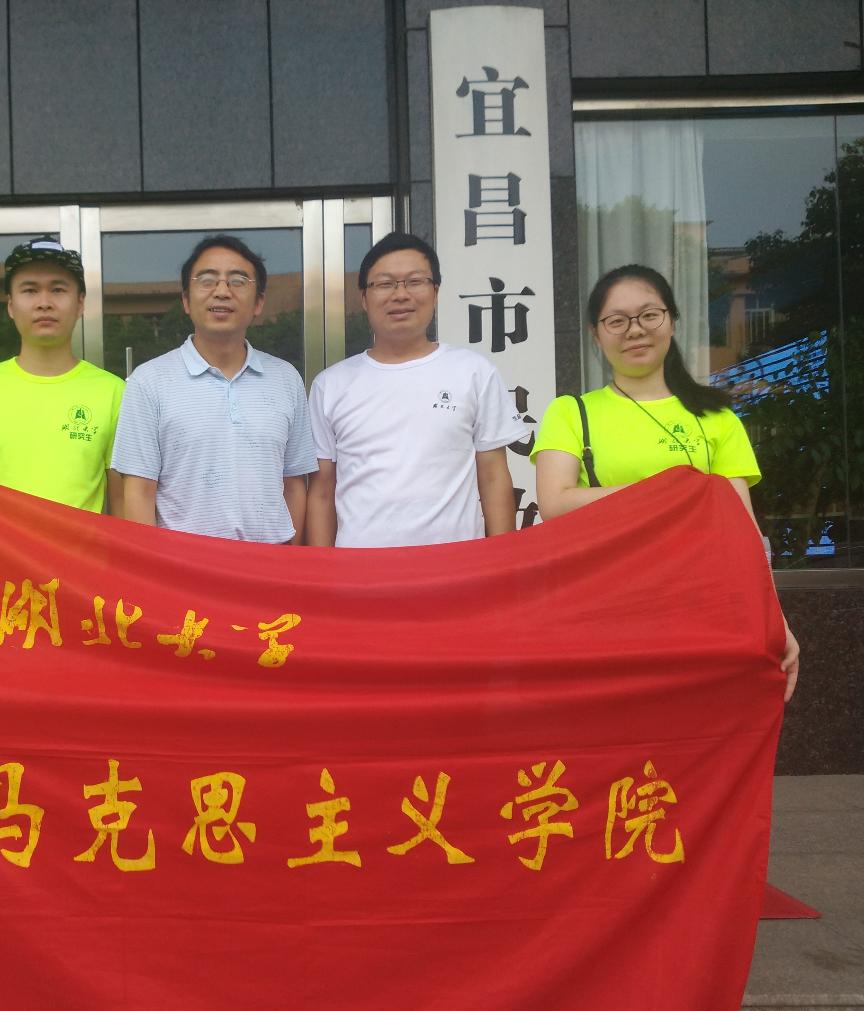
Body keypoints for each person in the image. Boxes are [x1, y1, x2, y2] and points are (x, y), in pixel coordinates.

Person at [531, 263, 799, 701]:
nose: (635, 330)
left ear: (672, 321)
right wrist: (673, 492)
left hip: (701, 607)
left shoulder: (716, 417)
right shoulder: (571, 412)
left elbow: (744, 530)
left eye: (649, 315)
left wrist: (777, 619)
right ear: (596, 334)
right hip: (603, 607)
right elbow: (555, 503)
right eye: (617, 320)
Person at [306, 232, 527, 548]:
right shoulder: (331, 385)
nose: (400, 295)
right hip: (360, 568)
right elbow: (322, 491)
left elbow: (493, 477)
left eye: (414, 282)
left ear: (435, 292)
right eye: (385, 284)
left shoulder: (473, 372)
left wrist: (503, 560)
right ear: (364, 298)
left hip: (454, 565)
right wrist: (323, 569)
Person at [112, 234, 316, 542]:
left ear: (258, 302)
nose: (222, 291)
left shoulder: (286, 379)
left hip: (269, 561)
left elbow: (294, 483)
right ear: (186, 300)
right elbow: (139, 490)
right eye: (207, 280)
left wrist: (288, 559)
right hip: (184, 564)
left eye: (237, 281)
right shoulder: (149, 381)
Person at [0, 235, 124, 514]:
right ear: (11, 306)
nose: (44, 303)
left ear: (80, 304)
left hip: (78, 546)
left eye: (58, 289)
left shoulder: (114, 392)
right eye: (30, 290)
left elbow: (122, 506)